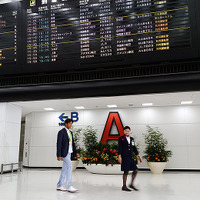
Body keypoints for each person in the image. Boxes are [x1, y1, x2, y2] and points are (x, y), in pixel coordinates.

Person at [56, 118, 79, 193]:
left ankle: (59, 185)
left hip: (69, 152)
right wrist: (58, 155)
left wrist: (75, 152)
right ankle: (68, 186)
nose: (71, 125)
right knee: (70, 166)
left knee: (65, 169)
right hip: (64, 153)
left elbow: (73, 143)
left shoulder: (70, 132)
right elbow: (59, 144)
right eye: (70, 123)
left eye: (72, 123)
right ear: (66, 124)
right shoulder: (61, 132)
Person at [118, 126, 142, 192]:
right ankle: (124, 186)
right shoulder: (121, 138)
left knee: (136, 170)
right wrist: (119, 156)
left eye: (128, 131)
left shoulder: (132, 139)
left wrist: (138, 155)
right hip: (124, 157)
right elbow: (120, 148)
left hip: (130, 156)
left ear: (130, 131)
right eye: (125, 131)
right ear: (124, 131)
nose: (127, 132)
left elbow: (134, 147)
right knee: (126, 171)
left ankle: (131, 184)